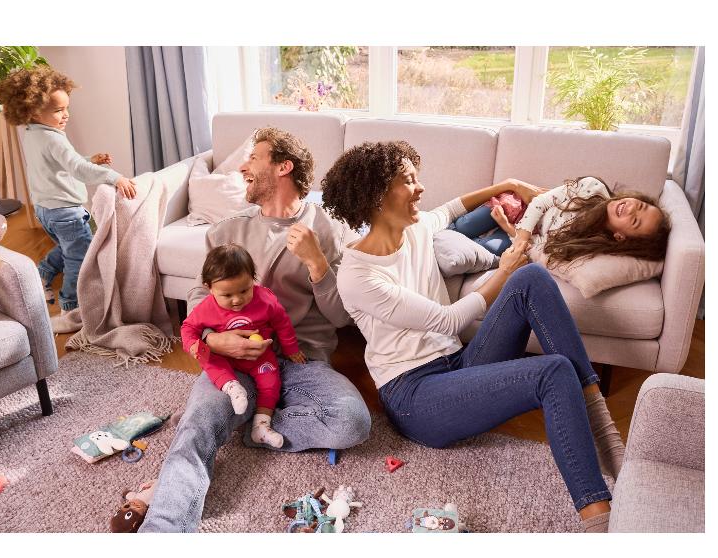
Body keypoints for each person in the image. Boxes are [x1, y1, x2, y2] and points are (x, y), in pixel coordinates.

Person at [321, 141, 625, 533]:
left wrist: (508, 183)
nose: (420, 188)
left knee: (531, 277)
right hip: (415, 396)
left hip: (458, 363)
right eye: (409, 180)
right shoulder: (358, 275)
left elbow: (452, 208)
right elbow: (447, 321)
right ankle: (599, 520)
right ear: (378, 196)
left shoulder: (413, 229)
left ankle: (601, 428)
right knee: (552, 371)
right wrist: (504, 266)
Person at [139, 127, 371, 532]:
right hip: (235, 361)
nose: (242, 167)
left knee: (353, 421)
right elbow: (199, 292)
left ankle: (251, 428)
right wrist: (213, 339)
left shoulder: (327, 229)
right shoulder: (227, 231)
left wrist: (318, 265)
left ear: (284, 167)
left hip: (302, 358)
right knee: (196, 430)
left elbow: (340, 317)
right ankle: (164, 529)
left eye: (253, 158)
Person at [0, 66, 137, 312]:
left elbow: (60, 164)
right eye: (59, 110)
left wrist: (89, 159)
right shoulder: (55, 138)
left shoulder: (33, 134)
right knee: (79, 257)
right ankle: (71, 306)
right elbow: (77, 170)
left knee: (68, 246)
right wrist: (115, 177)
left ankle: (43, 274)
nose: (66, 115)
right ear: (33, 111)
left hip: (45, 209)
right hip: (66, 212)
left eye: (66, 108)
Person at [181, 243, 307, 448]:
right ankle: (232, 387)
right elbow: (188, 328)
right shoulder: (205, 308)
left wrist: (291, 349)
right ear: (208, 287)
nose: (237, 300)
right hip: (225, 357)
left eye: (244, 290)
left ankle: (261, 426)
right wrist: (193, 345)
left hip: (259, 356)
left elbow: (282, 323)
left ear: (253, 279)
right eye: (227, 295)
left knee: (271, 382)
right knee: (211, 362)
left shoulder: (265, 299)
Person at [449, 176, 670, 263]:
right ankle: (428, 231)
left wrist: (510, 230)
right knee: (464, 225)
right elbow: (540, 202)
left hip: (517, 234)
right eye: (639, 205)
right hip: (519, 205)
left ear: (621, 237)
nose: (631, 210)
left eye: (635, 221)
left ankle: (426, 250)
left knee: (480, 248)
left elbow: (541, 247)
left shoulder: (587, 244)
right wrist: (520, 233)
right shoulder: (593, 187)